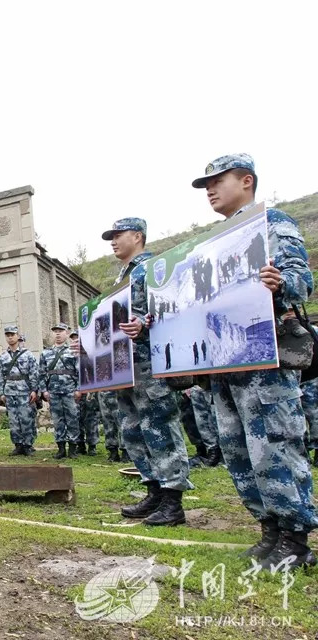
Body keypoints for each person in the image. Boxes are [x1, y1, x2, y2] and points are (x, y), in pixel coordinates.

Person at [193, 153, 318, 568]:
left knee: (275, 444)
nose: (210, 190)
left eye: (218, 181)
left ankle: (295, 539)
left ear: (246, 180)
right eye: (206, 185)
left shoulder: (272, 223)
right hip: (226, 361)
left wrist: (281, 282)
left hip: (264, 359)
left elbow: (301, 279)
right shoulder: (214, 242)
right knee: (238, 449)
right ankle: (270, 531)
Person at [103, 217, 191, 526]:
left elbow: (173, 308)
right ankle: (154, 491)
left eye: (119, 235)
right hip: (126, 367)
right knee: (134, 430)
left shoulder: (154, 268)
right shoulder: (123, 277)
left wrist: (144, 323)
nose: (113, 241)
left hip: (150, 364)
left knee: (160, 428)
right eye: (111, 236)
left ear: (138, 236)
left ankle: (172, 500)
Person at [0, 326, 38, 455]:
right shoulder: (3, 357)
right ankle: (18, 445)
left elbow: (34, 373)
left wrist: (34, 390)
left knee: (26, 418)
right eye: (7, 335)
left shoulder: (27, 354)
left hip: (25, 391)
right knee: (13, 420)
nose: (10, 337)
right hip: (9, 392)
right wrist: (1, 393)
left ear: (18, 336)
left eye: (12, 334)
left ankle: (28, 445)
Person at [40, 323, 81, 459]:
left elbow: (80, 371)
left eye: (61, 331)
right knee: (58, 420)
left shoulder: (73, 351)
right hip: (53, 392)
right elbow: (42, 373)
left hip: (70, 391)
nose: (57, 333)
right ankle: (61, 448)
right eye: (55, 331)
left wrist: (79, 389)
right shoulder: (45, 353)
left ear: (67, 333)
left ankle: (73, 448)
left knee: (72, 419)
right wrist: (44, 390)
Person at [302, 376, 318, 468]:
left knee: (314, 417)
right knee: (296, 421)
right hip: (291, 382)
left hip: (311, 379)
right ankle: (303, 453)